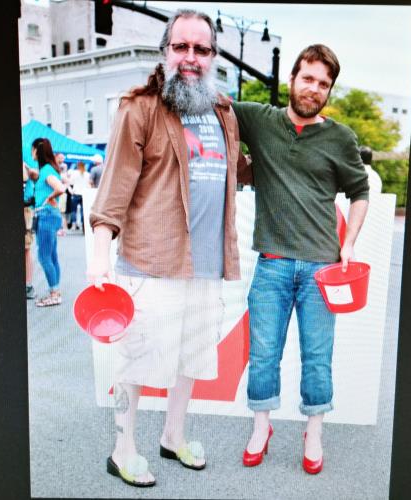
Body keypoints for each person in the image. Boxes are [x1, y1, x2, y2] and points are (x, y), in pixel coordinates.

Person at [87, 9, 250, 488]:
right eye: (181, 46)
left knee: (191, 357)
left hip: (207, 264)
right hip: (151, 262)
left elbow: (241, 170)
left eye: (201, 48)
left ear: (213, 56)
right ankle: (122, 449)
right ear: (165, 51)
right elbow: (113, 190)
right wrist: (99, 257)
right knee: (136, 360)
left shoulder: (223, 112)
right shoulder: (139, 108)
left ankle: (173, 435)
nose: (191, 57)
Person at [232, 44, 370, 474]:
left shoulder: (340, 138)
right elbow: (214, 108)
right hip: (271, 263)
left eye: (323, 84)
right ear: (292, 79)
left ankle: (314, 433)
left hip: (322, 269)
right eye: (308, 78)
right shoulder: (259, 119)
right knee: (263, 355)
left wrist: (349, 245)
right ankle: (261, 428)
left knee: (317, 358)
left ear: (329, 91)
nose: (314, 89)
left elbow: (360, 192)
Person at [32, 138, 66, 307]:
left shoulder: (46, 170)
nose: (31, 153)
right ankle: (55, 291)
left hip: (45, 214)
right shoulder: (48, 169)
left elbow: (60, 188)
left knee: (44, 256)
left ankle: (54, 294)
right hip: (50, 214)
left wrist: (50, 197)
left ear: (37, 150)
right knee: (51, 256)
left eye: (32, 150)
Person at [23, 161, 38, 299]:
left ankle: (28, 285)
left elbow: (32, 175)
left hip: (25, 208)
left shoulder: (28, 155)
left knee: (26, 248)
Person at [68, 161, 90, 232]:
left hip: (76, 193)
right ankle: (83, 225)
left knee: (73, 210)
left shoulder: (74, 173)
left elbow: (70, 183)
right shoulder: (87, 174)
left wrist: (71, 191)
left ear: (77, 166)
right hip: (85, 194)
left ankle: (74, 225)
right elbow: (89, 185)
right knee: (84, 211)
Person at [55, 152, 69, 235]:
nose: (62, 159)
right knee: (57, 210)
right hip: (56, 191)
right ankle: (59, 228)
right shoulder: (53, 166)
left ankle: (61, 229)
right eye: (60, 158)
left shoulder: (64, 166)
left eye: (63, 158)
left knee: (61, 211)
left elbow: (66, 179)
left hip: (61, 192)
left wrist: (64, 188)